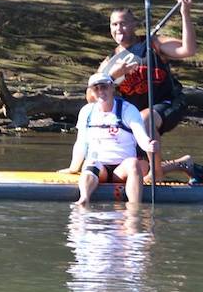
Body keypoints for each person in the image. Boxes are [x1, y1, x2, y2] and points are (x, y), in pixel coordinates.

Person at [96, 0, 197, 181]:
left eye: (124, 23)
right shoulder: (110, 62)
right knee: (138, 169)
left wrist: (185, 13)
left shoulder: (153, 44)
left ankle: (156, 174)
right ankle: (181, 164)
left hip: (169, 103)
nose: (119, 28)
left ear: (134, 25)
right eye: (114, 24)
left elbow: (188, 50)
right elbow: (91, 96)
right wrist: (112, 75)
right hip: (136, 120)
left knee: (145, 118)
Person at [59, 73, 158, 208]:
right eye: (96, 88)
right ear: (91, 91)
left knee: (134, 163)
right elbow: (81, 142)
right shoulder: (86, 112)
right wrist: (73, 168)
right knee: (90, 163)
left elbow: (140, 133)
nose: (101, 92)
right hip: (99, 168)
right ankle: (84, 199)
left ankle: (134, 208)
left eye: (104, 87)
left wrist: (148, 144)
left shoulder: (128, 110)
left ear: (112, 88)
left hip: (122, 169)